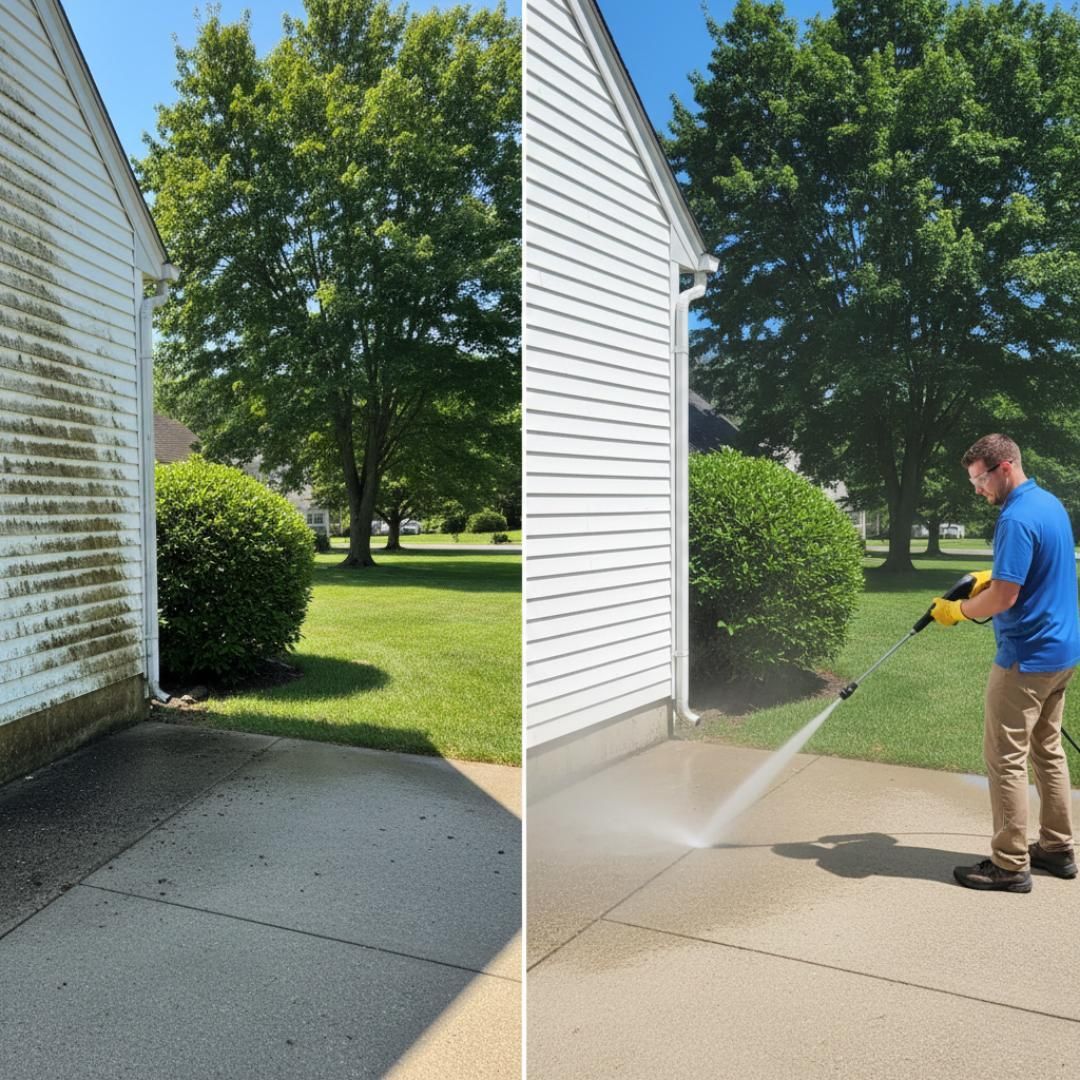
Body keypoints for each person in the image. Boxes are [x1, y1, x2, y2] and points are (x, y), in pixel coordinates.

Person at [930, 433, 1080, 892]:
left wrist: (957, 610)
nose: (977, 489)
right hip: (1063, 651)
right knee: (1047, 750)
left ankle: (1011, 864)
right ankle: (1058, 848)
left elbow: (1005, 596)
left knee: (1006, 758)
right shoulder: (1049, 503)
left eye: (979, 479)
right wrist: (989, 575)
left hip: (1026, 657)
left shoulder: (1014, 518)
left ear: (1004, 467)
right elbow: (1029, 570)